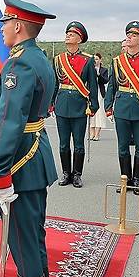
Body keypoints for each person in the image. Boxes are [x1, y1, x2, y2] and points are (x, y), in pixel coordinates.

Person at [0, 0, 57, 277]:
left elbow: (11, 122)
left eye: (4, 23)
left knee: (25, 246)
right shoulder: (38, 59)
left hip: (19, 163)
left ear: (18, 25)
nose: (1, 29)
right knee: (33, 243)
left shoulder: (21, 65)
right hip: (33, 158)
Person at [104, 21, 139, 194]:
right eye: (129, 34)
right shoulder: (117, 61)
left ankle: (137, 181)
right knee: (122, 146)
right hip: (121, 107)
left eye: (134, 35)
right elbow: (112, 86)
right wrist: (108, 106)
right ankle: (125, 179)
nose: (129, 37)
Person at [51, 21, 98, 188]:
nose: (68, 35)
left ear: (79, 39)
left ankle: (77, 174)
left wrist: (93, 105)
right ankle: (66, 173)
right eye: (67, 33)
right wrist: (51, 103)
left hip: (79, 106)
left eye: (72, 33)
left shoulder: (88, 60)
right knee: (63, 143)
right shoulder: (58, 59)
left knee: (78, 143)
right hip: (62, 104)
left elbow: (92, 84)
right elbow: (54, 83)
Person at [89, 52, 109, 141]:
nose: (95, 61)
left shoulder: (104, 70)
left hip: (99, 93)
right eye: (94, 59)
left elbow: (105, 80)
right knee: (90, 112)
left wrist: (98, 74)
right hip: (90, 93)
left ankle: (97, 134)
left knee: (99, 113)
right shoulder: (89, 69)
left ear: (100, 60)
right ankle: (91, 134)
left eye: (97, 59)